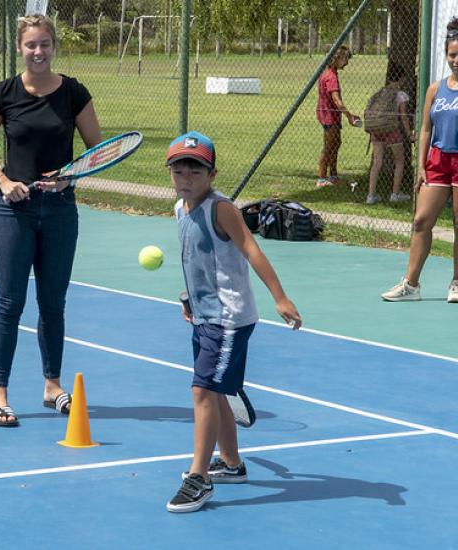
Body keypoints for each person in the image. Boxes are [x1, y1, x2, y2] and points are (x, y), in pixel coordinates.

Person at [0, 15, 102, 427]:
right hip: (13, 212)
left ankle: (52, 386)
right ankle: (0, 394)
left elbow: (97, 150)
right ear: (20, 48)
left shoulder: (74, 93)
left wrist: (70, 177)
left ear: (53, 46)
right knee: (10, 304)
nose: (39, 52)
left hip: (60, 212)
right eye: (31, 45)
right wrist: (4, 181)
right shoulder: (3, 94)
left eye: (45, 44)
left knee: (53, 304)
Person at [164, 131, 302, 513]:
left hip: (228, 318)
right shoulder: (181, 208)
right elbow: (197, 258)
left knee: (202, 392)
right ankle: (231, 463)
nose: (186, 177)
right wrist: (188, 295)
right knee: (216, 391)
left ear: (212, 174)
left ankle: (199, 478)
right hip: (205, 313)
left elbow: (250, 248)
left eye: (195, 170)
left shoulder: (220, 209)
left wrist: (279, 296)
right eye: (179, 170)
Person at [382, 19, 458, 303]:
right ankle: (411, 285)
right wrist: (423, 165)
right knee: (421, 220)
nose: (456, 60)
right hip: (437, 160)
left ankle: (456, 283)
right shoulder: (435, 90)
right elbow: (425, 128)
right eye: (452, 55)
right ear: (446, 55)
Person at [365, 63, 415, 205]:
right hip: (391, 130)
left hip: (376, 130)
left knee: (377, 162)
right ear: (401, 78)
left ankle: (371, 195)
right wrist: (409, 134)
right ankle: (395, 193)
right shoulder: (401, 95)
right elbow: (403, 116)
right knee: (400, 161)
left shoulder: (380, 92)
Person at [316, 45, 359, 188]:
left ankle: (333, 175)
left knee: (336, 143)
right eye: (345, 59)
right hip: (329, 115)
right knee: (329, 146)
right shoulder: (331, 76)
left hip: (332, 115)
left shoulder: (330, 73)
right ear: (337, 58)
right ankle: (321, 178)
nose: (347, 63)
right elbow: (337, 101)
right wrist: (350, 116)